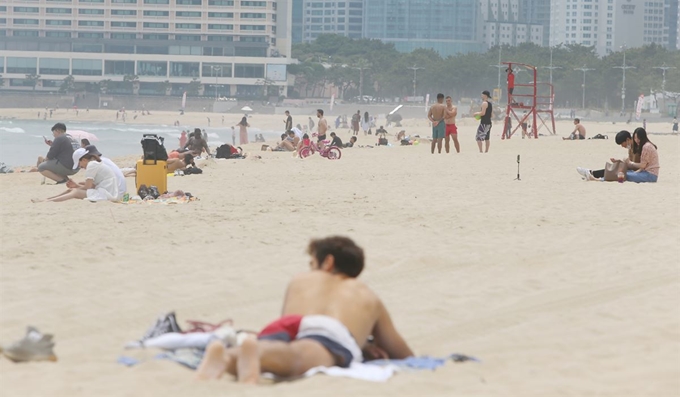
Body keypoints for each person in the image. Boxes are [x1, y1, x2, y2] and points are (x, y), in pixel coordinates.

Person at [195, 236, 414, 383]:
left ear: (327, 262)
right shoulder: (366, 294)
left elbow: (291, 321)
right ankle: (252, 353)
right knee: (299, 357)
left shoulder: (301, 280)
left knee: (282, 349)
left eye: (312, 263)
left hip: (287, 328)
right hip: (329, 334)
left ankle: (227, 357)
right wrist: (365, 344)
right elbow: (402, 354)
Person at [33, 148, 118, 203]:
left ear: (84, 160)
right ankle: (48, 199)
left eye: (80, 164)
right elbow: (92, 185)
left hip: (106, 193)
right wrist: (76, 185)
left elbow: (88, 187)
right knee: (74, 188)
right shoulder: (94, 163)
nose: (80, 167)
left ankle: (47, 201)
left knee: (75, 191)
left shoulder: (91, 165)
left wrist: (76, 187)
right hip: (107, 191)